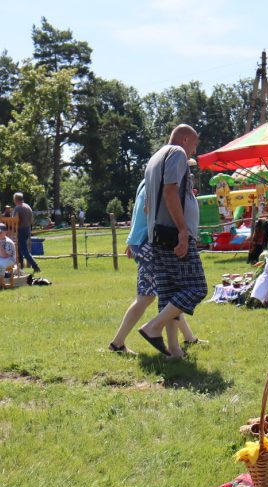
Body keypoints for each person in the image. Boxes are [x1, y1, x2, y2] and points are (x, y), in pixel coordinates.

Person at [136, 124, 208, 359]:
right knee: (197, 288)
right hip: (173, 235)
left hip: (157, 235)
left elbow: (149, 203)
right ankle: (153, 326)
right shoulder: (177, 153)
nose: (193, 152)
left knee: (169, 294)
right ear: (186, 140)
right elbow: (169, 191)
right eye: (194, 145)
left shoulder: (155, 157)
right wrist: (183, 231)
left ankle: (174, 350)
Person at [109, 179, 204, 355]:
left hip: (140, 241)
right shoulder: (160, 185)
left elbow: (138, 212)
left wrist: (132, 240)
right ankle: (118, 343)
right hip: (148, 243)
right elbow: (147, 209)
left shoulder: (146, 182)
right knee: (149, 297)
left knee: (170, 294)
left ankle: (189, 337)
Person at [13, 192, 41, 274]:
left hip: (20, 230)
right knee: (19, 249)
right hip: (27, 229)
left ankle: (35, 266)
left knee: (24, 250)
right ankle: (20, 267)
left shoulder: (17, 208)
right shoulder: (28, 206)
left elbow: (13, 220)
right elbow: (31, 220)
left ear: (16, 199)